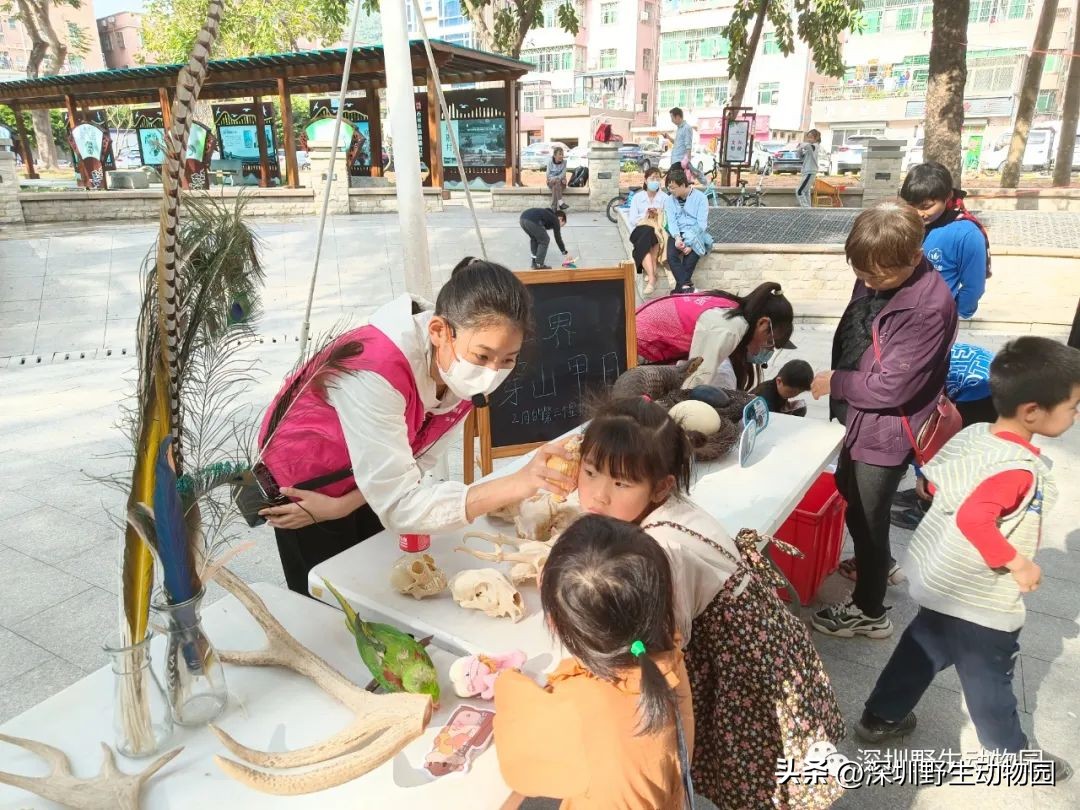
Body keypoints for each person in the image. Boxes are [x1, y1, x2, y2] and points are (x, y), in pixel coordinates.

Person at [575, 397, 844, 808]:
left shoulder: (660, 552)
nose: (597, 495)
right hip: (764, 646)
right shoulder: (665, 509)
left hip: (744, 673)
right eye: (590, 472)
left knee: (756, 773)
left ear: (661, 485)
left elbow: (666, 650)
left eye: (620, 483)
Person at [256, 258, 576, 593]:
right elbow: (398, 504)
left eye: (508, 359)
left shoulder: (463, 374)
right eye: (483, 356)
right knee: (329, 602)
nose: (493, 371)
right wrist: (515, 484)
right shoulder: (376, 371)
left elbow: (417, 459)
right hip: (306, 491)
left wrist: (344, 506)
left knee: (383, 587)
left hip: (362, 485)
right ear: (439, 332)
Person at [855, 337, 1080, 783]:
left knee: (920, 650)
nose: (1076, 415)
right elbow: (977, 518)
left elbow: (937, 484)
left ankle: (880, 718)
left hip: (942, 577)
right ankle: (1012, 756)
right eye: (1073, 407)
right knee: (991, 680)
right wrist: (1017, 562)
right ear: (1033, 411)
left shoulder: (976, 436)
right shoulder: (1016, 469)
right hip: (979, 594)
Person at [810, 202, 957, 639]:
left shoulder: (927, 309)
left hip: (886, 429)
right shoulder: (879, 270)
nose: (869, 283)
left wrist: (836, 381)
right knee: (848, 492)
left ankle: (869, 610)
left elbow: (892, 389)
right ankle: (881, 564)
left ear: (914, 257)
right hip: (860, 420)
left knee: (869, 520)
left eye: (879, 277)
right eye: (862, 273)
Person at [494, 514, 694, 809]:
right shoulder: (665, 655)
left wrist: (505, 679)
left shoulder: (579, 709)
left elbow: (519, 769)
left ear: (553, 624)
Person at [891, 342, 997, 530]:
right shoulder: (910, 355)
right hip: (989, 377)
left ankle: (927, 509)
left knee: (952, 448)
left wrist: (922, 474)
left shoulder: (909, 378)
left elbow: (930, 434)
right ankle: (926, 491)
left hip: (981, 393)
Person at [634, 282, 796, 391]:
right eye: (769, 342)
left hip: (639, 333)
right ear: (762, 324)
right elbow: (696, 380)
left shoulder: (731, 309)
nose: (766, 350)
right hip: (634, 346)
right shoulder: (729, 327)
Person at [900, 161, 989, 319]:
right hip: (899, 314)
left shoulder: (966, 235)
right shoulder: (904, 223)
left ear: (948, 197)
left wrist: (952, 317)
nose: (919, 213)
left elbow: (973, 287)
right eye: (912, 206)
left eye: (926, 206)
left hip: (935, 320)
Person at [663, 169, 710, 294]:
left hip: (695, 233)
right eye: (669, 187)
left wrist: (690, 244)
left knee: (691, 257)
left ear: (683, 185)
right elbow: (672, 221)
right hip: (677, 232)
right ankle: (686, 286)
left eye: (673, 188)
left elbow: (701, 224)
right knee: (671, 255)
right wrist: (677, 237)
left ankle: (679, 290)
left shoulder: (701, 198)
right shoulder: (669, 200)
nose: (670, 191)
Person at [627, 166, 669, 296]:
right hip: (639, 229)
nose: (655, 181)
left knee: (649, 237)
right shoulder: (638, 197)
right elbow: (632, 220)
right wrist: (646, 215)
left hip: (657, 230)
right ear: (645, 180)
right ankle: (653, 274)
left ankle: (651, 278)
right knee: (646, 233)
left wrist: (658, 214)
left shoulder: (665, 198)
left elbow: (668, 218)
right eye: (652, 178)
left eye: (657, 178)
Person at [666, 106, 706, 185]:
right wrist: (668, 137)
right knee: (676, 183)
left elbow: (688, 145)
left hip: (680, 161)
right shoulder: (679, 129)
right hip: (675, 159)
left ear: (677, 117)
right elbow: (677, 143)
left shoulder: (686, 128)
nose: (671, 121)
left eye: (672, 118)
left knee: (670, 182)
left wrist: (687, 159)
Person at [795, 128, 821, 208]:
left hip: (810, 172)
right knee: (805, 192)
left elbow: (807, 146)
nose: (808, 139)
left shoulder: (815, 147)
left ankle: (806, 210)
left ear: (816, 138)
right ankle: (808, 210)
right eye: (808, 137)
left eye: (811, 137)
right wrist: (799, 149)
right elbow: (799, 156)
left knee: (799, 191)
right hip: (807, 172)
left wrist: (801, 144)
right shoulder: (809, 148)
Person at [546, 146, 568, 211]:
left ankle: (554, 208)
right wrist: (556, 178)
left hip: (561, 183)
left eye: (562, 154)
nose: (561, 156)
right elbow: (548, 175)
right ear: (555, 155)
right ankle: (560, 203)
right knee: (556, 182)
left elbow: (563, 174)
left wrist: (557, 178)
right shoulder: (550, 162)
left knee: (555, 185)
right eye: (560, 154)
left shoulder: (564, 162)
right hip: (551, 182)